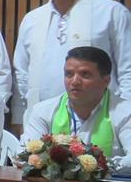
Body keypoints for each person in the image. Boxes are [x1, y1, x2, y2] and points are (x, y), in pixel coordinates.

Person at [13, 0, 131, 130]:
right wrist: (20, 118)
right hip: (42, 122)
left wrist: (125, 116)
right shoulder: (32, 19)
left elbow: (127, 69)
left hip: (102, 121)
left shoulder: (110, 12)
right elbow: (21, 75)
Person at [23, 47, 130, 175]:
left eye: (85, 74)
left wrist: (95, 166)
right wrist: (74, 166)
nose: (75, 81)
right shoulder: (43, 111)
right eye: (69, 74)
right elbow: (26, 155)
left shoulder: (125, 112)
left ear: (106, 81)